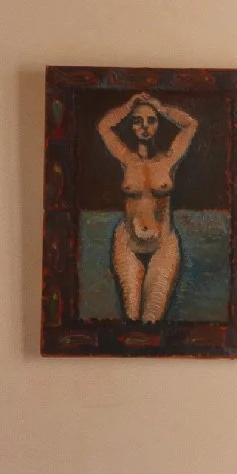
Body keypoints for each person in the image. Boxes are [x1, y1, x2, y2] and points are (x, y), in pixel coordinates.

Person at [97, 89, 199, 322]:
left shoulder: (168, 160)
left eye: (151, 121)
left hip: (163, 243)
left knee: (151, 320)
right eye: (137, 121)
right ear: (131, 127)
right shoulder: (126, 159)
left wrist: (161, 108)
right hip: (128, 243)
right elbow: (104, 126)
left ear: (158, 125)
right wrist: (127, 106)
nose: (144, 126)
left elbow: (190, 124)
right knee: (132, 318)